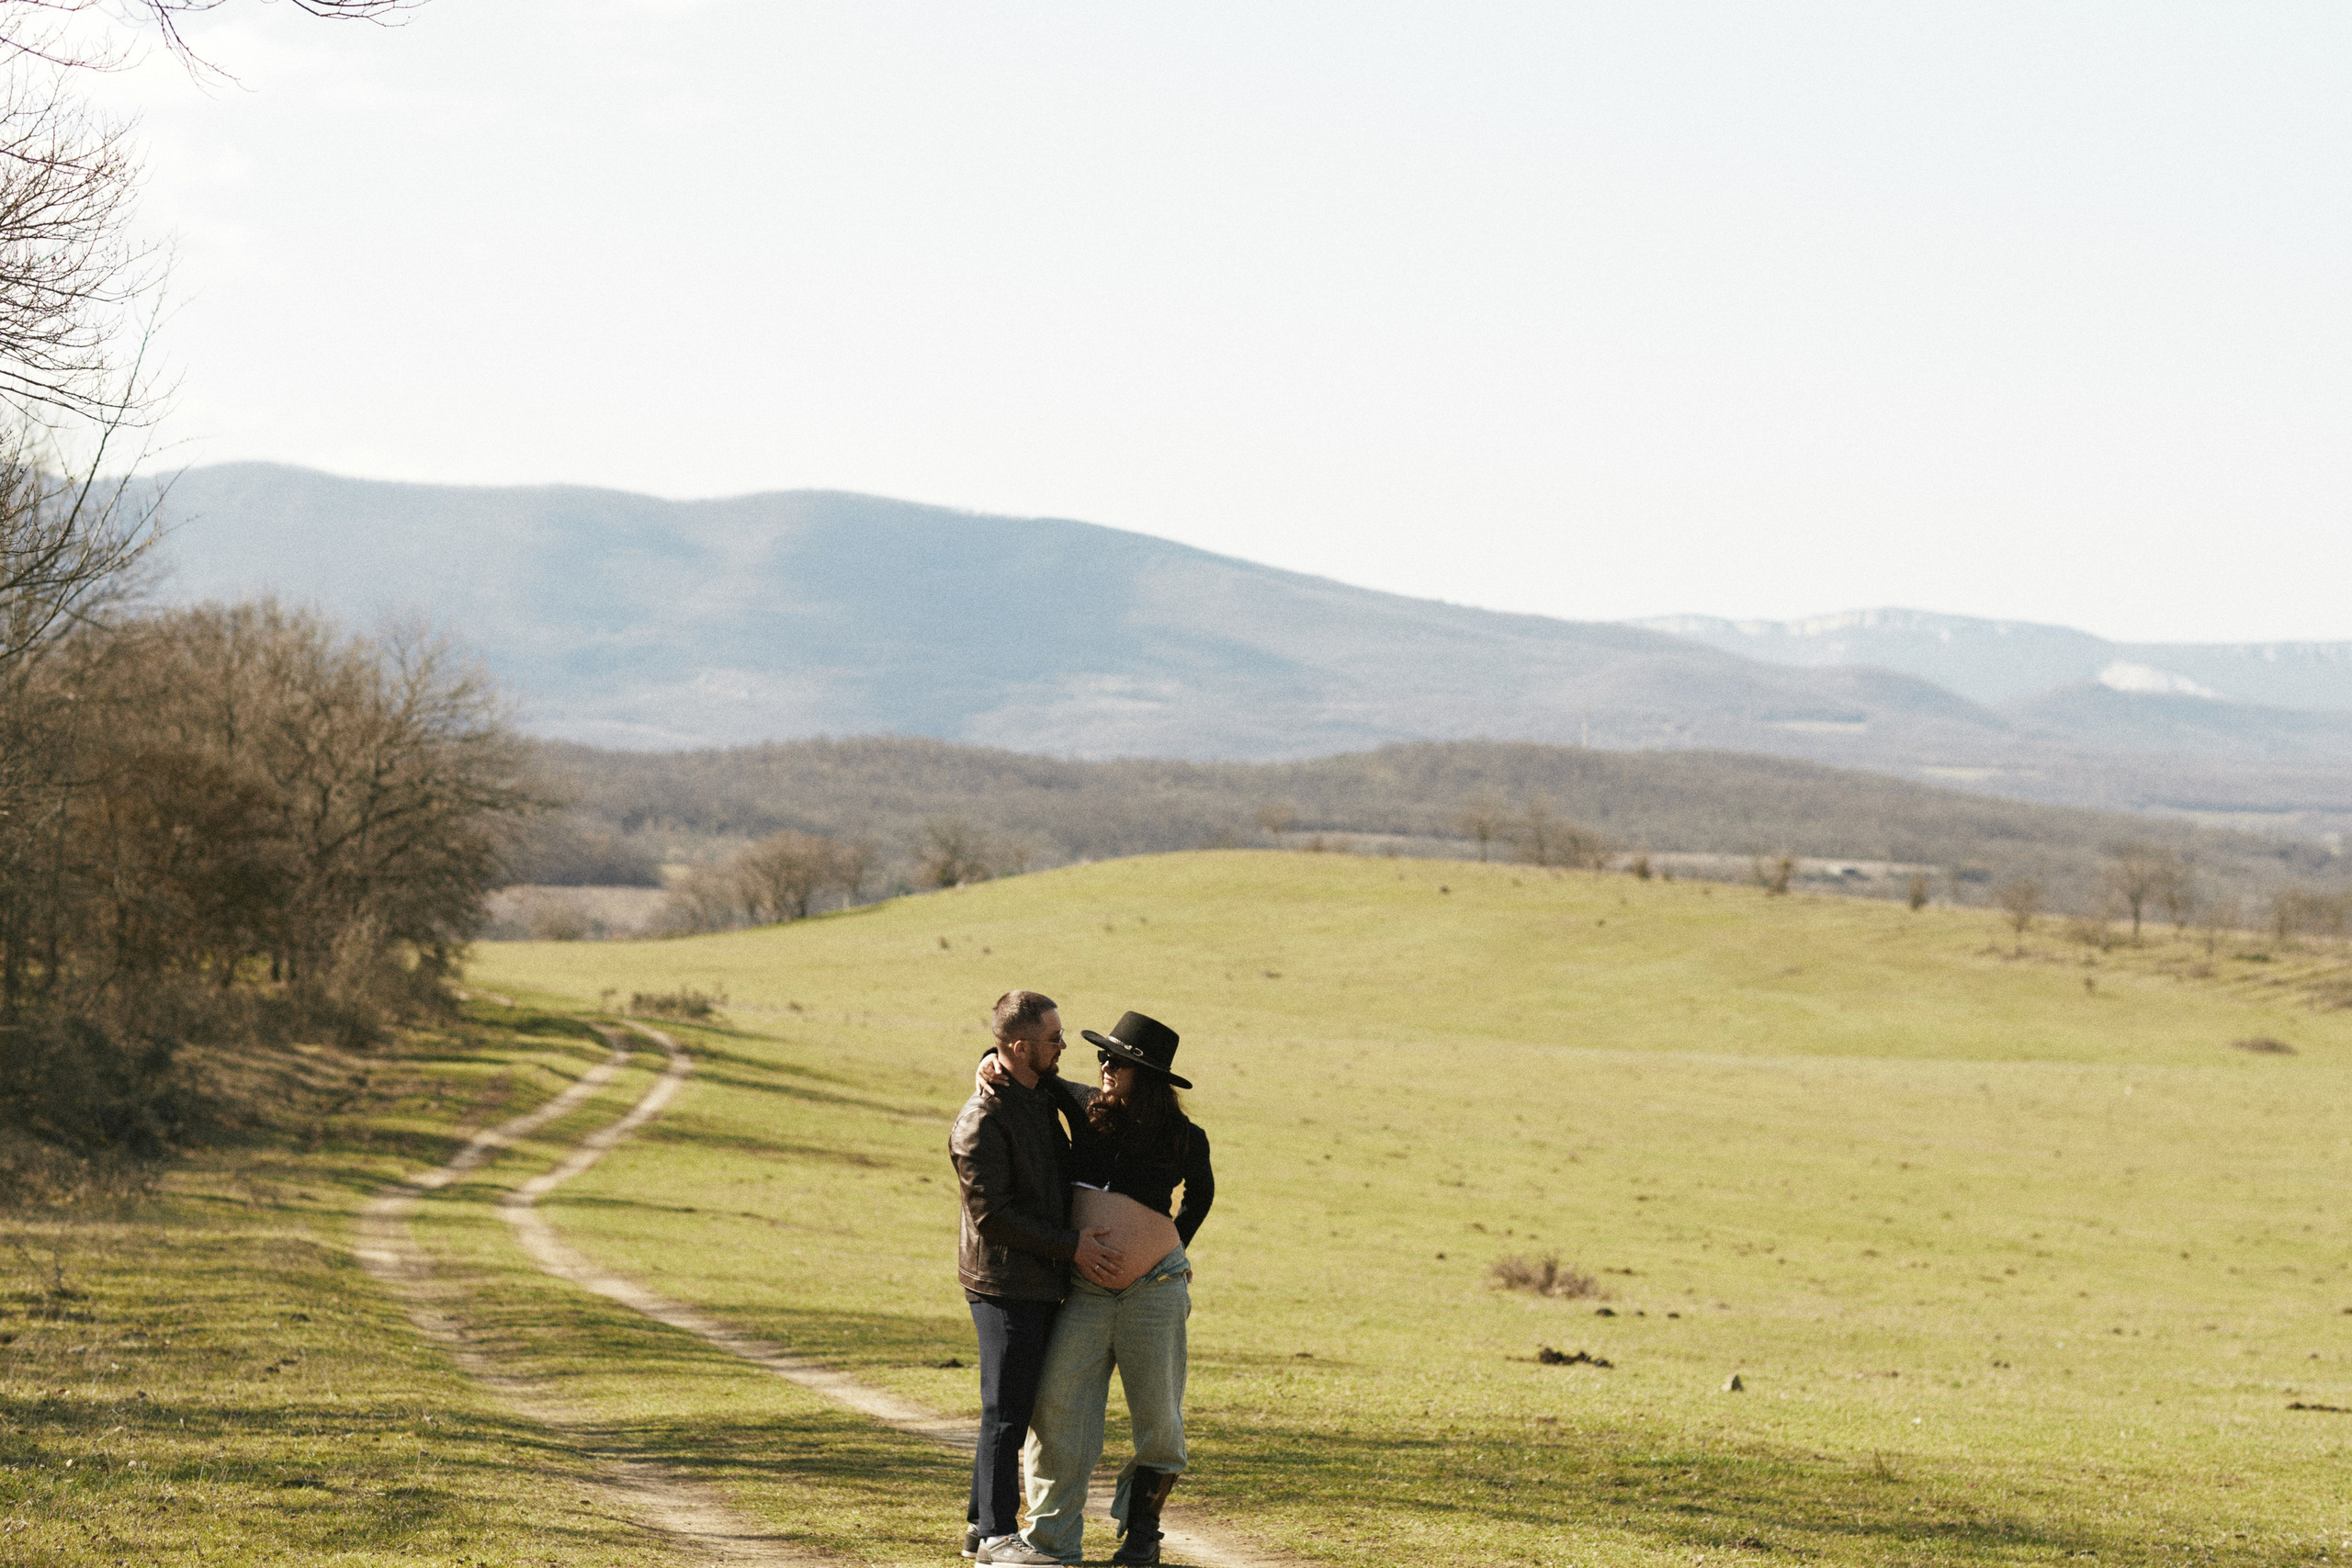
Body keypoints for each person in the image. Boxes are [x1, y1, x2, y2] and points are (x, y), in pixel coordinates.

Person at [978, 1011, 1214, 1568]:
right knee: (1057, 1409)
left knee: (1158, 1419)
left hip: (1153, 1293)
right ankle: (1052, 1546)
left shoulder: (1185, 1137)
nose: (1105, 1066)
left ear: (1147, 1074)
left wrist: (1170, 1248)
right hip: (1086, 1291)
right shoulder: (1085, 1108)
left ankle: (1141, 1536)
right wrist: (985, 1060)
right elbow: (1021, 1064)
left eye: (1119, 1061)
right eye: (1104, 1057)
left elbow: (1200, 1195)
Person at [950, 991, 1125, 1562]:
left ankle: (981, 1522)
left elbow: (1084, 1100)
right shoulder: (980, 1120)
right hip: (1003, 1283)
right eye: (1054, 1040)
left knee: (1015, 1405)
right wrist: (1073, 1246)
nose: (1065, 1046)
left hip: (1040, 1278)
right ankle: (999, 1537)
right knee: (1005, 1410)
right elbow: (992, 1217)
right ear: (1022, 1047)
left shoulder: (1037, 1090)